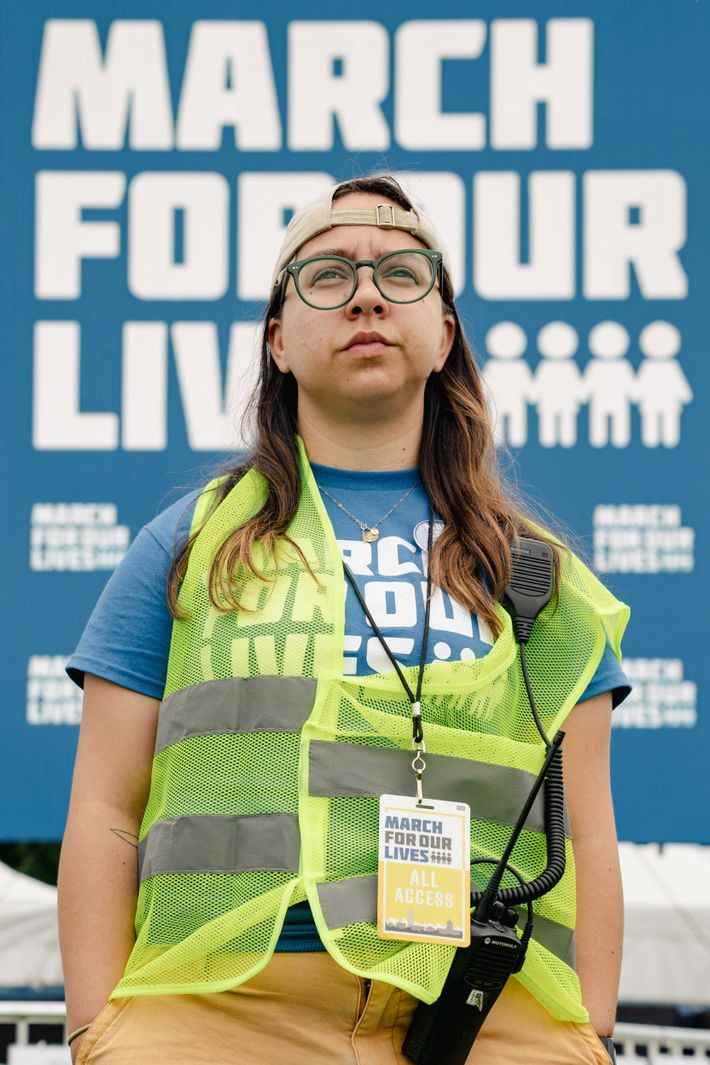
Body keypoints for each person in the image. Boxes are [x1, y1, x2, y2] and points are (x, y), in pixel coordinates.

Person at [59, 173, 631, 1065]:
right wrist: (99, 1028)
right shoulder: (188, 545)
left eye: (403, 273)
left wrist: (584, 1030)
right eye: (326, 275)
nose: (366, 293)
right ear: (279, 340)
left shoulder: (538, 578)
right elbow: (103, 807)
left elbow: (591, 829)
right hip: (221, 1013)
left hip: (484, 1012)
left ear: (444, 333)